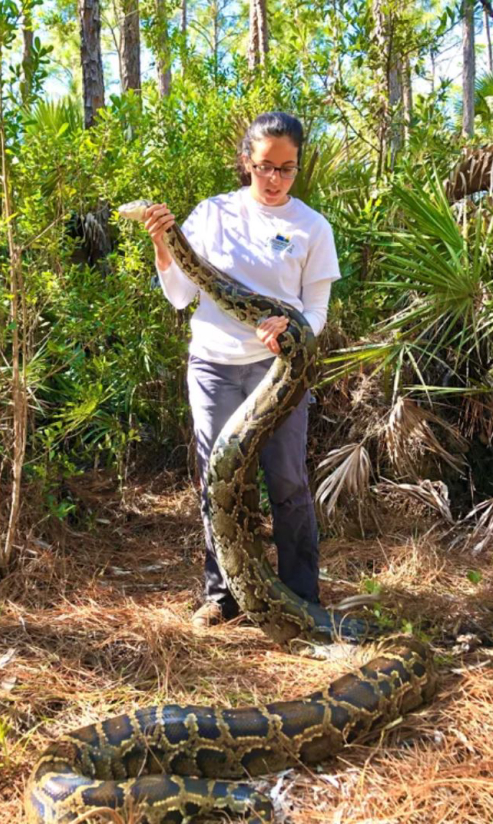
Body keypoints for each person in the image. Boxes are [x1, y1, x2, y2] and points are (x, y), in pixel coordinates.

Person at [142, 111, 341, 628]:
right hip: (215, 368)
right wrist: (164, 245)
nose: (274, 179)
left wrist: (290, 327)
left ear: (298, 168)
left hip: (280, 373)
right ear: (245, 163)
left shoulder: (311, 227)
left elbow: (316, 313)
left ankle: (302, 598)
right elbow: (181, 296)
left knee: (289, 482)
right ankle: (223, 595)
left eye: (287, 168)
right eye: (264, 167)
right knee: (220, 482)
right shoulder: (211, 215)